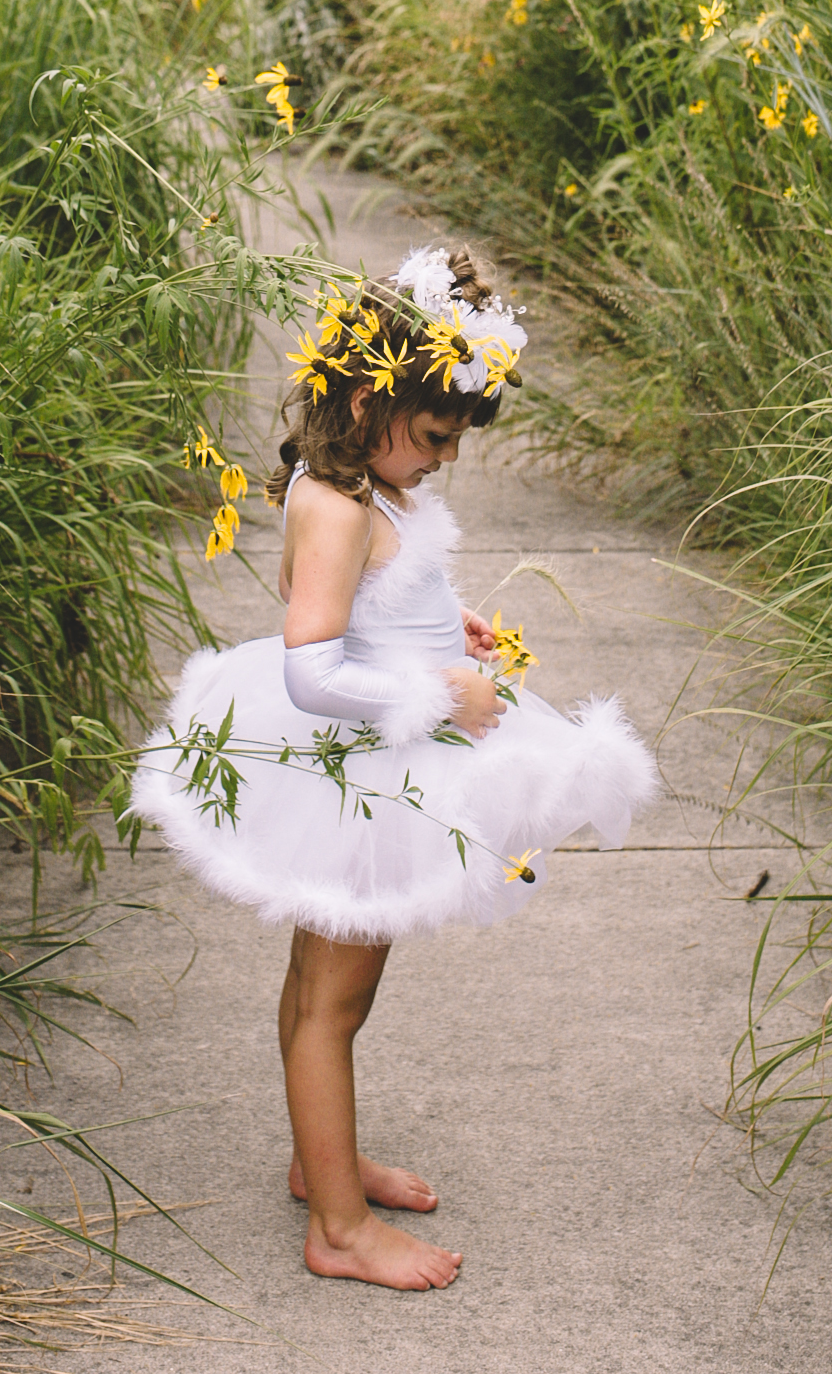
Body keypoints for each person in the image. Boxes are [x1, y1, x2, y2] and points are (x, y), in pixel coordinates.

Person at [130, 244, 657, 1292]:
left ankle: (318, 1159)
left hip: (366, 760)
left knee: (321, 988)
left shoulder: (363, 482)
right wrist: (438, 695)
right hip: (355, 769)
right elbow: (315, 666)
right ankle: (338, 1227)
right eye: (434, 435)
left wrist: (437, 627)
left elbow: (379, 600)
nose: (447, 458)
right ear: (371, 398)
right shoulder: (338, 505)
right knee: (334, 1000)